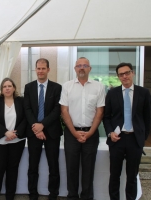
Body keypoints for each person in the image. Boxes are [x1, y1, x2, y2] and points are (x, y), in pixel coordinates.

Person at [103, 63, 151, 200]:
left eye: (127, 73)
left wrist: (142, 138)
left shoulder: (144, 93)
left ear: (132, 73)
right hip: (116, 139)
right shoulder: (112, 93)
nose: (124, 76)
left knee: (132, 176)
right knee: (114, 175)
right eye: (121, 74)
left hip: (135, 140)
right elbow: (106, 117)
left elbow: (148, 118)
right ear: (118, 77)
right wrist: (110, 132)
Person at [60, 57, 105, 200]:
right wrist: (74, 132)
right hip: (71, 133)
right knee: (71, 168)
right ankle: (72, 196)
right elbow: (64, 111)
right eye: (79, 65)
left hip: (91, 134)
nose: (81, 68)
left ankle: (86, 197)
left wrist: (90, 132)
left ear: (90, 69)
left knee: (88, 169)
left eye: (85, 65)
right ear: (74, 69)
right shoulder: (67, 86)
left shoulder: (99, 87)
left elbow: (100, 111)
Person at [24, 58, 62, 200]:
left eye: (43, 68)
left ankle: (53, 194)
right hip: (34, 133)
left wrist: (43, 125)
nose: (40, 71)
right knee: (33, 166)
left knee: (53, 166)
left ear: (48, 70)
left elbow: (57, 109)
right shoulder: (28, 87)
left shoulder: (57, 88)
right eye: (38, 68)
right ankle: (32, 194)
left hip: (52, 132)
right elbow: (27, 108)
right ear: (36, 70)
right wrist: (37, 128)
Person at [0, 78, 27, 200]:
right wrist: (5, 132)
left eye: (10, 86)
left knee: (12, 169)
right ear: (1, 89)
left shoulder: (21, 101)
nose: (7, 88)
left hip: (17, 140)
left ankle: (10, 196)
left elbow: (26, 118)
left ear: (14, 88)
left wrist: (16, 133)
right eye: (5, 86)